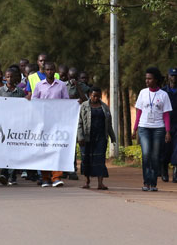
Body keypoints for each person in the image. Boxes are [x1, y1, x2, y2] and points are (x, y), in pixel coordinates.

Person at [30, 60, 71, 188]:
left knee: (56, 149)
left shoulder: (61, 85)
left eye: (52, 70)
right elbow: (34, 102)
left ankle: (56, 177)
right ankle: (45, 177)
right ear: (44, 70)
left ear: (55, 71)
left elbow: (66, 103)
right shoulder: (39, 85)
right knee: (44, 150)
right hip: (43, 122)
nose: (49, 72)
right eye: (47, 70)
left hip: (57, 122)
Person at [134, 67, 172, 192]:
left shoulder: (163, 95)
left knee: (155, 156)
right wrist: (134, 129)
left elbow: (166, 114)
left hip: (158, 129)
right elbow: (138, 112)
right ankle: (146, 182)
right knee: (146, 154)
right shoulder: (143, 93)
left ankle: (153, 182)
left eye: (149, 79)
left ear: (155, 80)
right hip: (144, 127)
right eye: (146, 78)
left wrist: (167, 131)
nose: (147, 81)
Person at [77, 87, 115, 190]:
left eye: (98, 96)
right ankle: (86, 181)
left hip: (101, 137)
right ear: (90, 95)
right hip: (87, 137)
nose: (96, 98)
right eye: (94, 96)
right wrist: (80, 137)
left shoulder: (105, 107)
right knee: (86, 159)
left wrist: (113, 137)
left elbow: (109, 124)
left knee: (100, 159)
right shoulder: (84, 106)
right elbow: (79, 123)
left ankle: (100, 183)